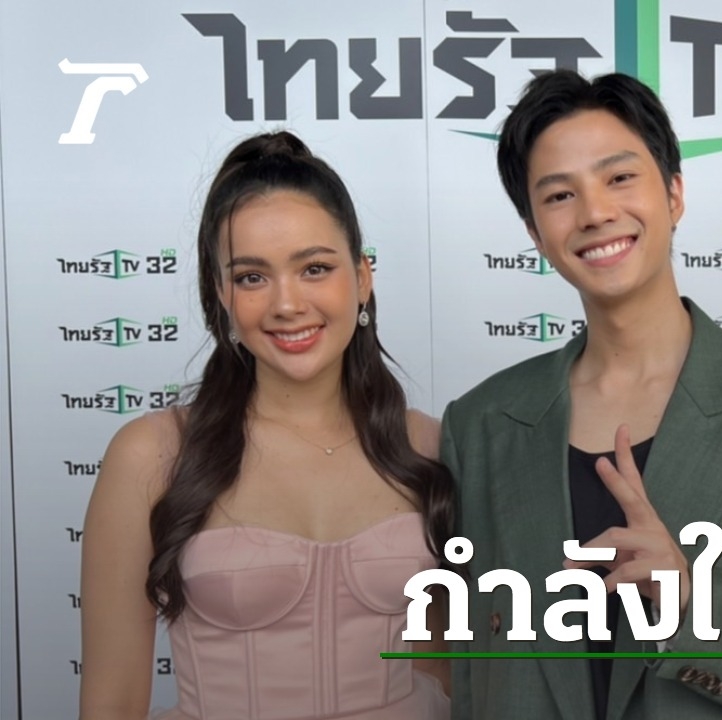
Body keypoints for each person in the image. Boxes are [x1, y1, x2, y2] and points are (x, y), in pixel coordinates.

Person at [439, 69, 722, 720]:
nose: (595, 213)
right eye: (560, 195)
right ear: (535, 233)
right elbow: (475, 680)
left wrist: (691, 600)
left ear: (674, 193)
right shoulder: (481, 427)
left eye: (620, 178)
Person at [79, 131, 456, 720]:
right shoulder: (151, 454)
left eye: (315, 268)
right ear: (221, 294)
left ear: (362, 278)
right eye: (252, 277)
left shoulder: (430, 446)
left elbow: (448, 669)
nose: (286, 304)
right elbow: (112, 703)